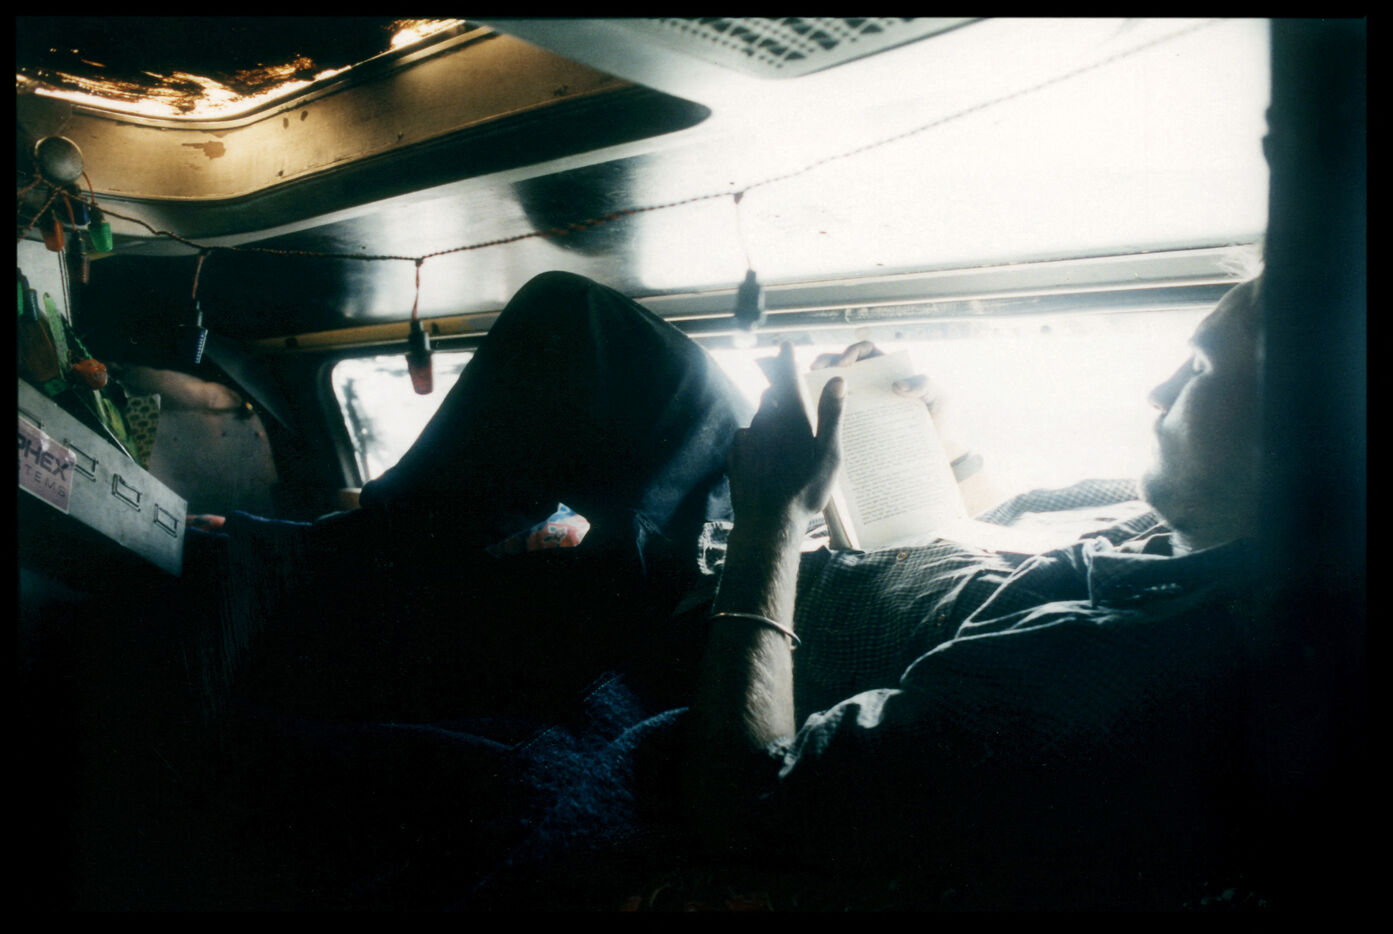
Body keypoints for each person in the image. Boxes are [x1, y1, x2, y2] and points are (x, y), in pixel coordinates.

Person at [184, 270, 1287, 909]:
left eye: (1196, 371)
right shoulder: (1179, 517)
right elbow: (989, 539)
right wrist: (930, 446)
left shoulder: (1100, 679)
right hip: (782, 548)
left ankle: (305, 574)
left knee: (572, 380)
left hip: (718, 633)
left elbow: (754, 796)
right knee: (598, 336)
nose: (1154, 387)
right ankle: (347, 552)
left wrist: (772, 516)